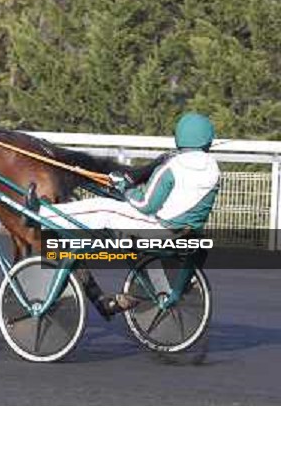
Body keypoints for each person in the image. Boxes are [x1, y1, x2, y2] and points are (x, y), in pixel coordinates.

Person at [39, 112, 220, 315]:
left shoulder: (173, 166)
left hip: (158, 229)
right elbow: (179, 200)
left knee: (103, 208)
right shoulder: (213, 169)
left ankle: (43, 214)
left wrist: (124, 187)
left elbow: (145, 205)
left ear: (180, 137)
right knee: (112, 208)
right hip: (184, 232)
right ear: (208, 139)